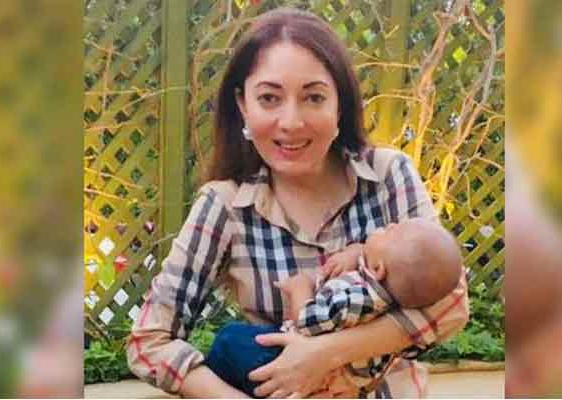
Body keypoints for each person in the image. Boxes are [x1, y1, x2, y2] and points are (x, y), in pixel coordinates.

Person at [127, 7, 469, 398]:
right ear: (243, 105)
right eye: (269, 98)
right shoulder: (224, 205)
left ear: (339, 105)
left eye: (313, 97)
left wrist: (323, 353)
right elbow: (149, 342)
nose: (291, 122)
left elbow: (451, 305)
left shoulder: (389, 175)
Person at [205, 218, 463, 398]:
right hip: (333, 379)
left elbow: (308, 324)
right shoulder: (392, 297)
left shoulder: (357, 298)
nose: (390, 225)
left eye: (389, 232)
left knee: (230, 340)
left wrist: (300, 288)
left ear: (378, 269)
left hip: (298, 368)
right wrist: (357, 251)